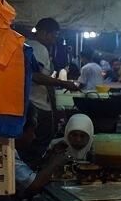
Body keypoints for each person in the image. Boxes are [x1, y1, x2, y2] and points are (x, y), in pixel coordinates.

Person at [26, 18, 80, 164]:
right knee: (38, 146)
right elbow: (36, 76)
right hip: (37, 105)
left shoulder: (28, 45)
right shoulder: (38, 48)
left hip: (32, 103)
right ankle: (33, 177)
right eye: (54, 35)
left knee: (33, 146)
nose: (54, 39)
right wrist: (64, 83)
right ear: (43, 33)